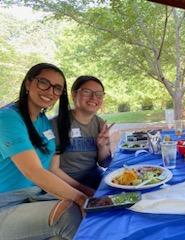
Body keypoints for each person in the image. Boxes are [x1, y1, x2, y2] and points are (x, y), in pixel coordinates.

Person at [0, 63, 87, 239]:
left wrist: (86, 191)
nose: (50, 91)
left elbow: (52, 169)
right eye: (43, 83)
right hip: (6, 203)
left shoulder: (43, 120)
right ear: (28, 84)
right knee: (68, 216)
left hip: (35, 197)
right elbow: (34, 171)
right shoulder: (7, 118)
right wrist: (80, 198)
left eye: (57, 88)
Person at [51, 76, 112, 194]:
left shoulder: (100, 123)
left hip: (94, 178)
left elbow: (105, 163)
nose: (94, 97)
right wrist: (85, 191)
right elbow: (53, 170)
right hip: (66, 184)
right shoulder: (56, 124)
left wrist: (102, 146)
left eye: (99, 94)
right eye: (87, 92)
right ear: (74, 95)